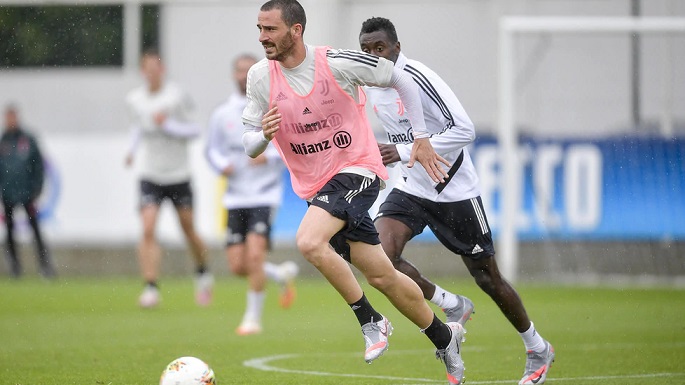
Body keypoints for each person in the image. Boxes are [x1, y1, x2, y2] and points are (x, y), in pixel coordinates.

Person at [243, 1, 465, 383]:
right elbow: (248, 143)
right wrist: (263, 134)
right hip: (318, 188)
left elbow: (402, 79)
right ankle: (444, 336)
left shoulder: (336, 62)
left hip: (358, 169)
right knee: (383, 276)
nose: (262, 37)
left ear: (296, 30)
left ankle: (371, 320)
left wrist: (421, 138)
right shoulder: (261, 77)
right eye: (260, 29)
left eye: (271, 30)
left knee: (310, 242)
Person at [359, 17, 555, 385]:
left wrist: (401, 151)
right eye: (366, 50)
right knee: (381, 256)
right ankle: (451, 304)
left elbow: (465, 129)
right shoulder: (370, 84)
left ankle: (537, 347)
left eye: (380, 49)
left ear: (396, 48)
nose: (373, 57)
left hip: (454, 190)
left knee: (487, 277)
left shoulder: (417, 78)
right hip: (412, 188)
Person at [206, 53, 300, 336]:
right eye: (239, 70)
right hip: (235, 196)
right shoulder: (222, 114)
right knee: (238, 265)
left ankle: (252, 319)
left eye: (249, 71)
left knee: (255, 256)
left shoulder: (272, 108)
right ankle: (279, 274)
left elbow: (291, 145)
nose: (243, 75)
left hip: (264, 194)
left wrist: (268, 157)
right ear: (234, 75)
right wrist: (223, 165)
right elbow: (211, 150)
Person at [124, 49, 213, 308]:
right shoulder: (135, 100)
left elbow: (195, 129)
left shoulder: (176, 96)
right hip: (150, 174)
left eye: (155, 68)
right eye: (146, 68)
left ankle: (203, 272)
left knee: (188, 229)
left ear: (162, 69)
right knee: (148, 228)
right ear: (142, 71)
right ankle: (151, 287)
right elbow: (137, 127)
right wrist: (131, 151)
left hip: (178, 174)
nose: (151, 73)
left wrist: (169, 125)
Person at [0, 104, 56, 279]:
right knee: (9, 232)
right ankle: (15, 268)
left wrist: (37, 188)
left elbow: (38, 166)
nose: (11, 120)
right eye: (8, 117)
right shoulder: (3, 141)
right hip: (8, 193)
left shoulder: (28, 139)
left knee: (35, 230)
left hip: (27, 193)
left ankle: (45, 266)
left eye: (13, 116)